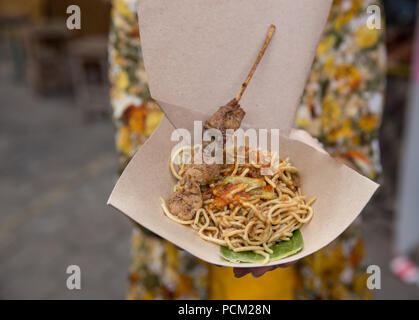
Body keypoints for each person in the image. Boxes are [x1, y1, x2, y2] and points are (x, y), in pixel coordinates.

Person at [109, 0, 386, 299]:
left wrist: (321, 172)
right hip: (181, 276)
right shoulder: (144, 5)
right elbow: (134, 157)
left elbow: (359, 156)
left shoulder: (350, 6)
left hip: (316, 269)